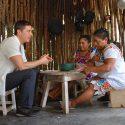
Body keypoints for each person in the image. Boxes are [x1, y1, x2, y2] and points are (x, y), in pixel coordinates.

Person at [0, 20, 53, 116]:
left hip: (7, 78)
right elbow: (22, 66)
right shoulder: (11, 42)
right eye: (28, 31)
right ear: (19, 32)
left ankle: (30, 105)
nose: (31, 34)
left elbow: (25, 64)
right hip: (1, 80)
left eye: (31, 31)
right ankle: (23, 109)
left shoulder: (19, 46)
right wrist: (40, 62)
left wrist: (39, 60)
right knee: (30, 73)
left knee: (34, 71)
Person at [67, 28, 125, 108]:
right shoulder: (100, 49)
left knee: (93, 86)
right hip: (109, 78)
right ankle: (86, 98)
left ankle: (73, 103)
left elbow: (107, 67)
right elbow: (93, 61)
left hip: (117, 80)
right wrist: (84, 66)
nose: (95, 43)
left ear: (105, 40)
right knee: (93, 80)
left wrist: (90, 69)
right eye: (94, 41)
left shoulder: (110, 50)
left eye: (97, 41)